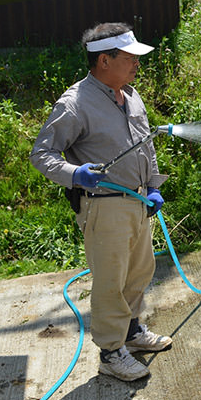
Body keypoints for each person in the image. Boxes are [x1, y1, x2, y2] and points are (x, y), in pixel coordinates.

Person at [30, 22, 171, 381]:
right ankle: (110, 353)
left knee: (140, 271)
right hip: (104, 203)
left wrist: (153, 185)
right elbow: (42, 154)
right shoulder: (75, 103)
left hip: (138, 201)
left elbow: (146, 145)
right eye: (129, 58)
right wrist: (76, 174)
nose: (137, 64)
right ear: (104, 61)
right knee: (111, 279)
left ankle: (131, 332)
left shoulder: (131, 94)